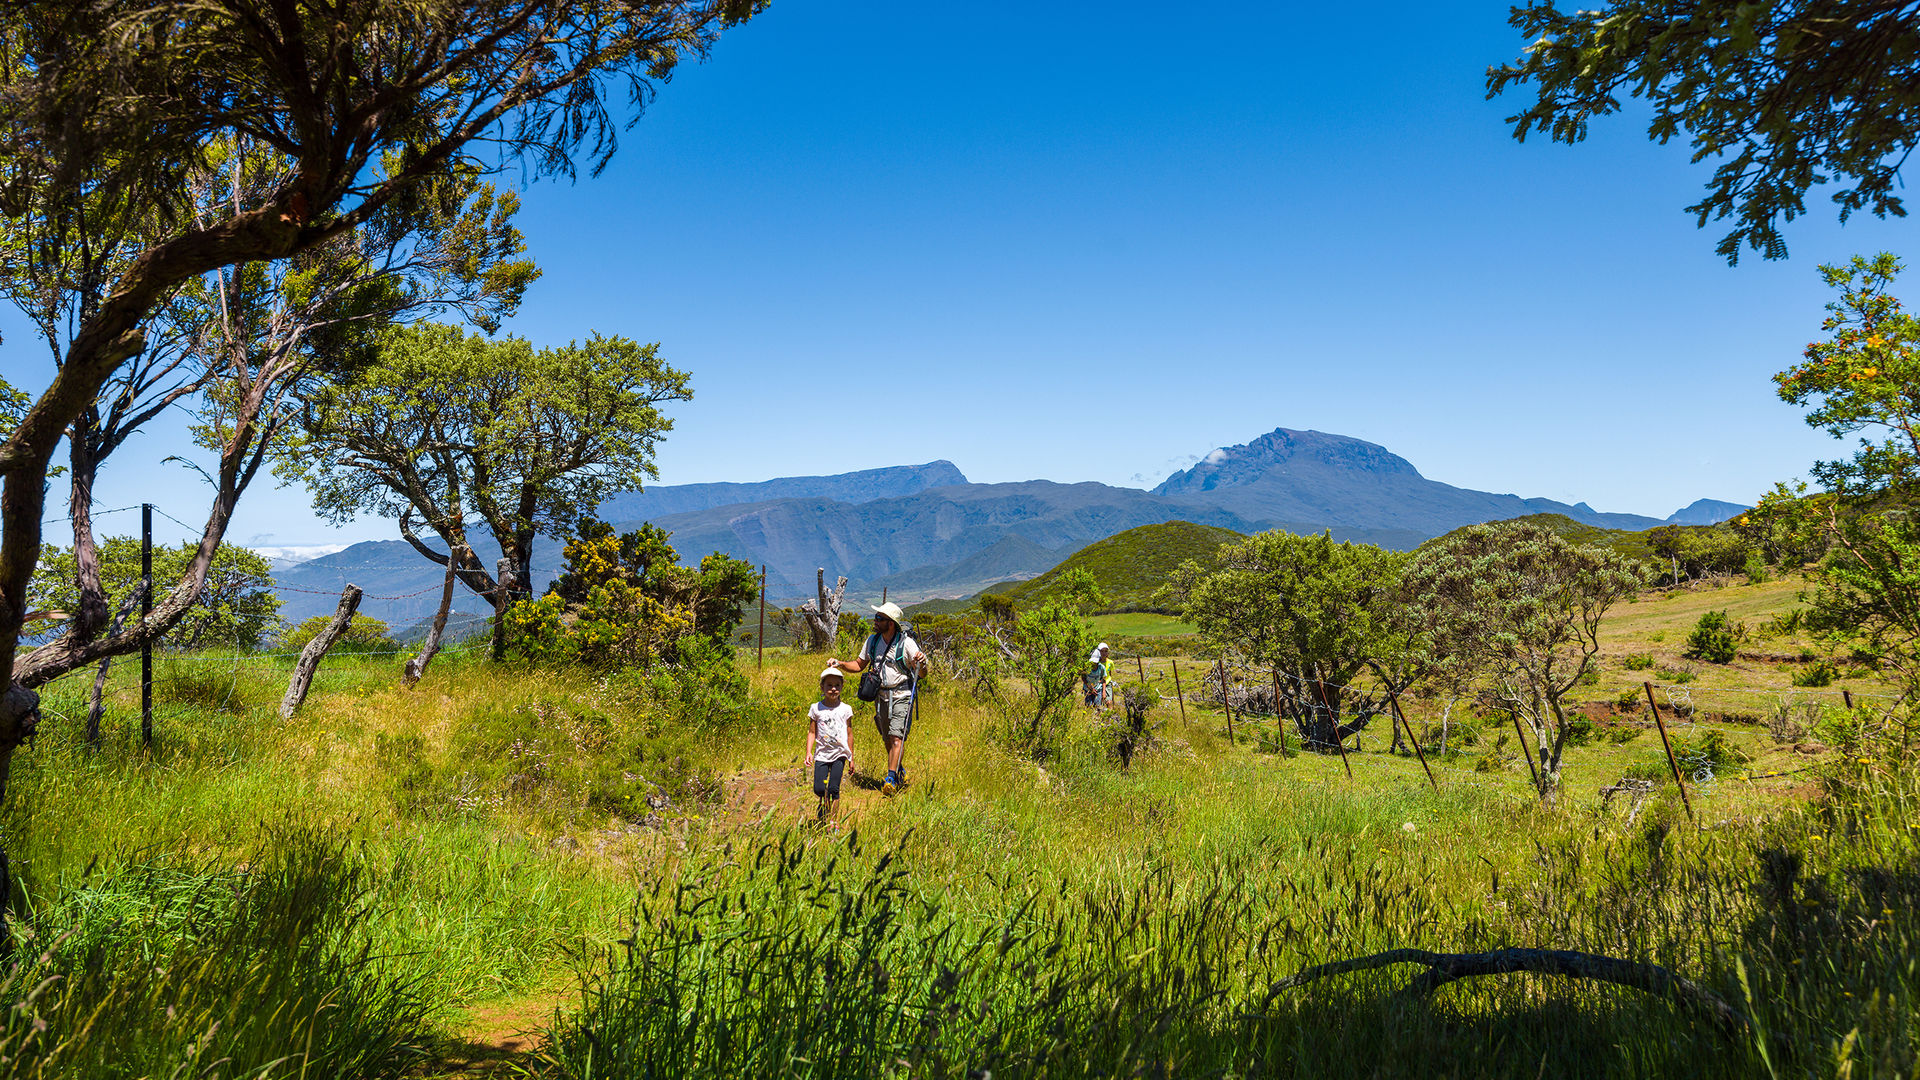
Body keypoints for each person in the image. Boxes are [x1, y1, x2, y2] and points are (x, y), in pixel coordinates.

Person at [830, 601, 927, 797]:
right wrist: (839, 664)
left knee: (896, 736)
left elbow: (922, 674)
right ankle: (899, 771)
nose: (875, 621)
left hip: (902, 695)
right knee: (886, 739)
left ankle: (890, 778)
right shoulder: (872, 642)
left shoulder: (906, 643)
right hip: (880, 697)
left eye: (879, 618)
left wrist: (922, 664)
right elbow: (859, 665)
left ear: (890, 623)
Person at [805, 666, 854, 822]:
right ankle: (823, 806)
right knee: (819, 788)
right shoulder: (816, 708)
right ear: (822, 687)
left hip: (840, 754)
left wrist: (851, 757)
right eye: (829, 685)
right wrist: (809, 752)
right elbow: (812, 732)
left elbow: (849, 733)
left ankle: (832, 821)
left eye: (837, 685)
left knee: (833, 789)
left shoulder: (846, 709)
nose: (833, 689)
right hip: (822, 754)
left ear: (842, 686)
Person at [1084, 642, 1112, 708]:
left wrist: (1103, 692)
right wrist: (1090, 688)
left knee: (1098, 707)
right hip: (1088, 689)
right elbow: (1083, 678)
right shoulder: (1086, 668)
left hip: (1098, 689)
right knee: (1088, 706)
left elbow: (1104, 679)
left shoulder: (1101, 667)